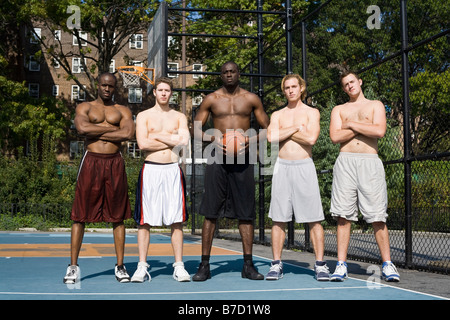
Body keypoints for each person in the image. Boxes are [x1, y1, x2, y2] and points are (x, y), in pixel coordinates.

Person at [192, 61, 269, 281]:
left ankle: (248, 265)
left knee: (246, 213)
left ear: (238, 73)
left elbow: (268, 129)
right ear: (220, 75)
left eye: (232, 71)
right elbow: (195, 129)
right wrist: (213, 137)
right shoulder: (211, 99)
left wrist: (251, 139)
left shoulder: (251, 98)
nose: (228, 75)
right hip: (217, 157)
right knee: (210, 211)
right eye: (225, 72)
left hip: (244, 158)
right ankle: (204, 265)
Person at [63, 72, 135, 284]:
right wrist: (111, 129)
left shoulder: (123, 110)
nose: (106, 89)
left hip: (115, 161)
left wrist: (97, 132)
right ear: (97, 85)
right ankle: (73, 266)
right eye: (103, 85)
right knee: (80, 215)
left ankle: (120, 267)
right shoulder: (84, 107)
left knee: (118, 216)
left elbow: (127, 134)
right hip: (91, 161)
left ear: (115, 88)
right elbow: (82, 128)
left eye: (110, 86)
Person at [329, 70, 400, 282]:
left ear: (359, 82)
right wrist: (363, 128)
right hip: (345, 162)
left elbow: (379, 131)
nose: (350, 86)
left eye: (352, 81)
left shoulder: (375, 105)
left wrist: (350, 125)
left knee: (377, 215)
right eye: (345, 84)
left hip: (370, 163)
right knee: (343, 216)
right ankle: (341, 265)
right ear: (344, 89)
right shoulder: (339, 109)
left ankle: (387, 264)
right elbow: (335, 137)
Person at [266, 74, 330, 281]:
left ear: (301, 88)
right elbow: (270, 137)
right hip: (282, 167)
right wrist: (295, 128)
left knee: (314, 218)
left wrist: (283, 132)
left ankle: (320, 265)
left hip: (304, 166)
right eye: (287, 88)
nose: (291, 90)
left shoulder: (312, 112)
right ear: (284, 91)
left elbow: (311, 139)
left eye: (294, 86)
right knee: (278, 218)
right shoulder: (277, 114)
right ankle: (276, 264)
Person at [131, 77, 191, 283]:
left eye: (167, 90)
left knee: (176, 221)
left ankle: (179, 266)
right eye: (160, 90)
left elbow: (183, 142)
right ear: (154, 92)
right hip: (152, 170)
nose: (164, 93)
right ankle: (141, 266)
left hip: (173, 170)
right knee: (144, 221)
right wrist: (170, 140)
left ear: (171, 93)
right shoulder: (143, 116)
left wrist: (157, 137)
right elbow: (142, 144)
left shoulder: (179, 117)